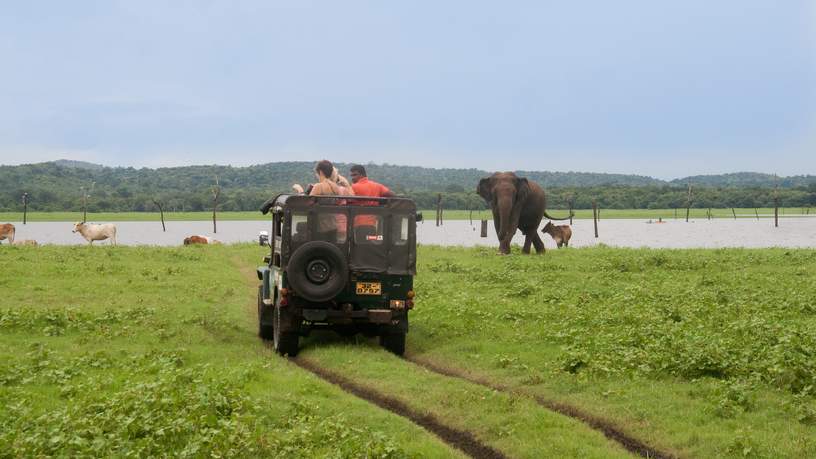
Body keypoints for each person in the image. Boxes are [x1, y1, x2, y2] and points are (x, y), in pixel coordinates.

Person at [349, 164, 394, 242]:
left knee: (359, 249)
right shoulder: (377, 186)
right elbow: (392, 195)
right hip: (372, 226)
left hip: (359, 226)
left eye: (354, 175)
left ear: (362, 175)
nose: (352, 178)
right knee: (370, 248)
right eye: (351, 175)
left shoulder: (353, 187)